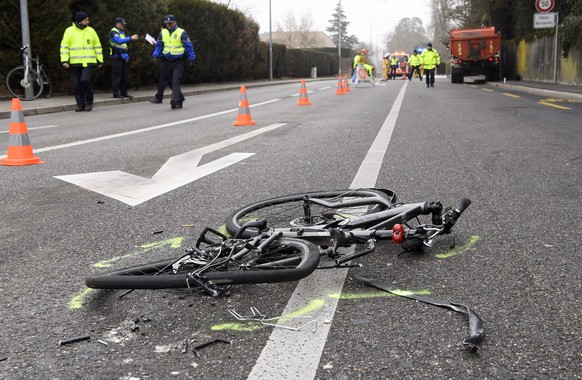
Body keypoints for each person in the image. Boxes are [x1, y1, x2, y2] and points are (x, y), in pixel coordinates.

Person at [150, 14, 196, 109]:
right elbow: (159, 46)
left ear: (175, 22)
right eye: (167, 23)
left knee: (176, 80)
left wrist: (192, 58)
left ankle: (174, 100)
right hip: (167, 61)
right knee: (168, 81)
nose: (169, 25)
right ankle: (180, 98)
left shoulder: (182, 32)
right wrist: (155, 55)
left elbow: (188, 46)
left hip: (179, 61)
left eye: (170, 23)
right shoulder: (163, 33)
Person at [60, 11, 103, 112]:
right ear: (79, 21)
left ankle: (89, 102)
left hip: (89, 62)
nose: (88, 21)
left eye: (88, 19)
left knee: (85, 80)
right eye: (86, 20)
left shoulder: (91, 31)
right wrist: (64, 60)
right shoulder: (69, 31)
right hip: (75, 63)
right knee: (77, 84)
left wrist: (100, 60)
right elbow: (64, 47)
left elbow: (97, 46)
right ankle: (80, 105)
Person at [109, 17, 138, 99]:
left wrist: (126, 55)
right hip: (116, 56)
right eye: (122, 24)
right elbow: (118, 41)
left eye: (124, 24)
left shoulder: (121, 32)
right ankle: (116, 93)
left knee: (124, 76)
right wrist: (131, 38)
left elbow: (123, 46)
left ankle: (124, 92)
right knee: (117, 75)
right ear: (117, 23)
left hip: (122, 56)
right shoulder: (113, 32)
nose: (123, 26)